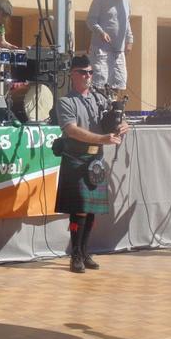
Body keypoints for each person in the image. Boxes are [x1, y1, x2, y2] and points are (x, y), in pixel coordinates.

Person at [54, 55, 128, 273]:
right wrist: (102, 139)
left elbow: (116, 118)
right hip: (76, 158)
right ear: (72, 75)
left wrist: (123, 125)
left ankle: (85, 252)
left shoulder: (99, 99)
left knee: (91, 210)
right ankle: (75, 255)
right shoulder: (65, 102)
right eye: (83, 72)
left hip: (96, 159)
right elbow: (72, 130)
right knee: (80, 210)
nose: (87, 76)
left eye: (90, 72)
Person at [86, 0, 135, 99]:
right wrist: (101, 32)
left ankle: (113, 108)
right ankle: (99, 109)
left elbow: (127, 22)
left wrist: (130, 40)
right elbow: (91, 20)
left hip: (118, 51)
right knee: (100, 82)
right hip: (101, 49)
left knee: (118, 81)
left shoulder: (127, 0)